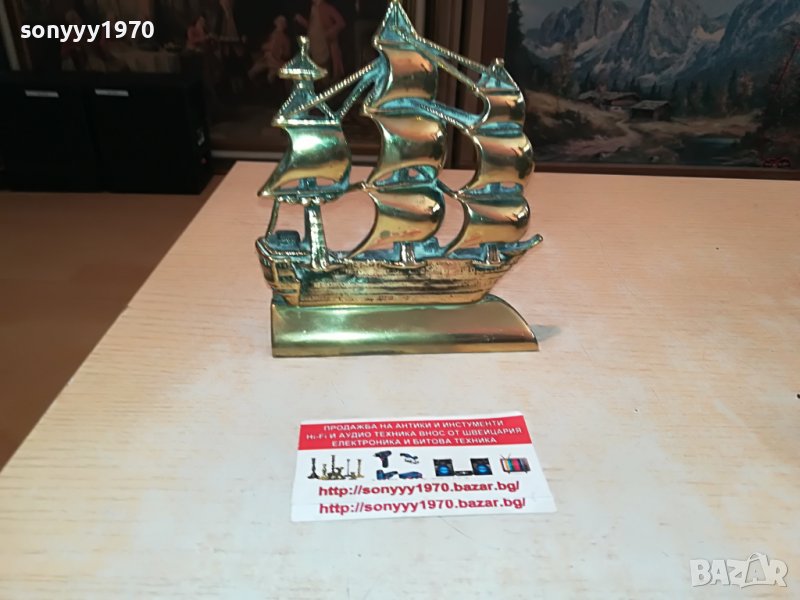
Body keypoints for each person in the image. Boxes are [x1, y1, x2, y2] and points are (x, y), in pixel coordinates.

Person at [295, 0, 345, 80]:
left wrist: (330, 32)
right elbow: (313, 28)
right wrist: (303, 21)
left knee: (325, 73)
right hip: (315, 48)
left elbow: (341, 22)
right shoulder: (314, 8)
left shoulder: (324, 7)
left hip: (324, 48)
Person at [248, 15, 291, 84]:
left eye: (283, 23)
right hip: (267, 59)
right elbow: (265, 46)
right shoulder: (272, 35)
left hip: (277, 62)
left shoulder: (286, 39)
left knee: (271, 76)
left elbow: (286, 53)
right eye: (280, 22)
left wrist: (280, 53)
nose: (281, 24)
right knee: (253, 71)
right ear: (276, 23)